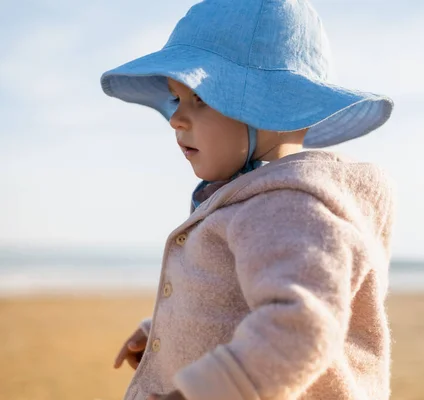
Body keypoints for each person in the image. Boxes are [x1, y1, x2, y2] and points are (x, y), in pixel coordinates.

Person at [101, 1, 396, 399]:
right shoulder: (254, 199)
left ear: (272, 109)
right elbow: (231, 300)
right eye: (176, 99)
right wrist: (164, 332)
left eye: (200, 99)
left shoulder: (289, 206)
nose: (176, 119)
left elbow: (300, 326)